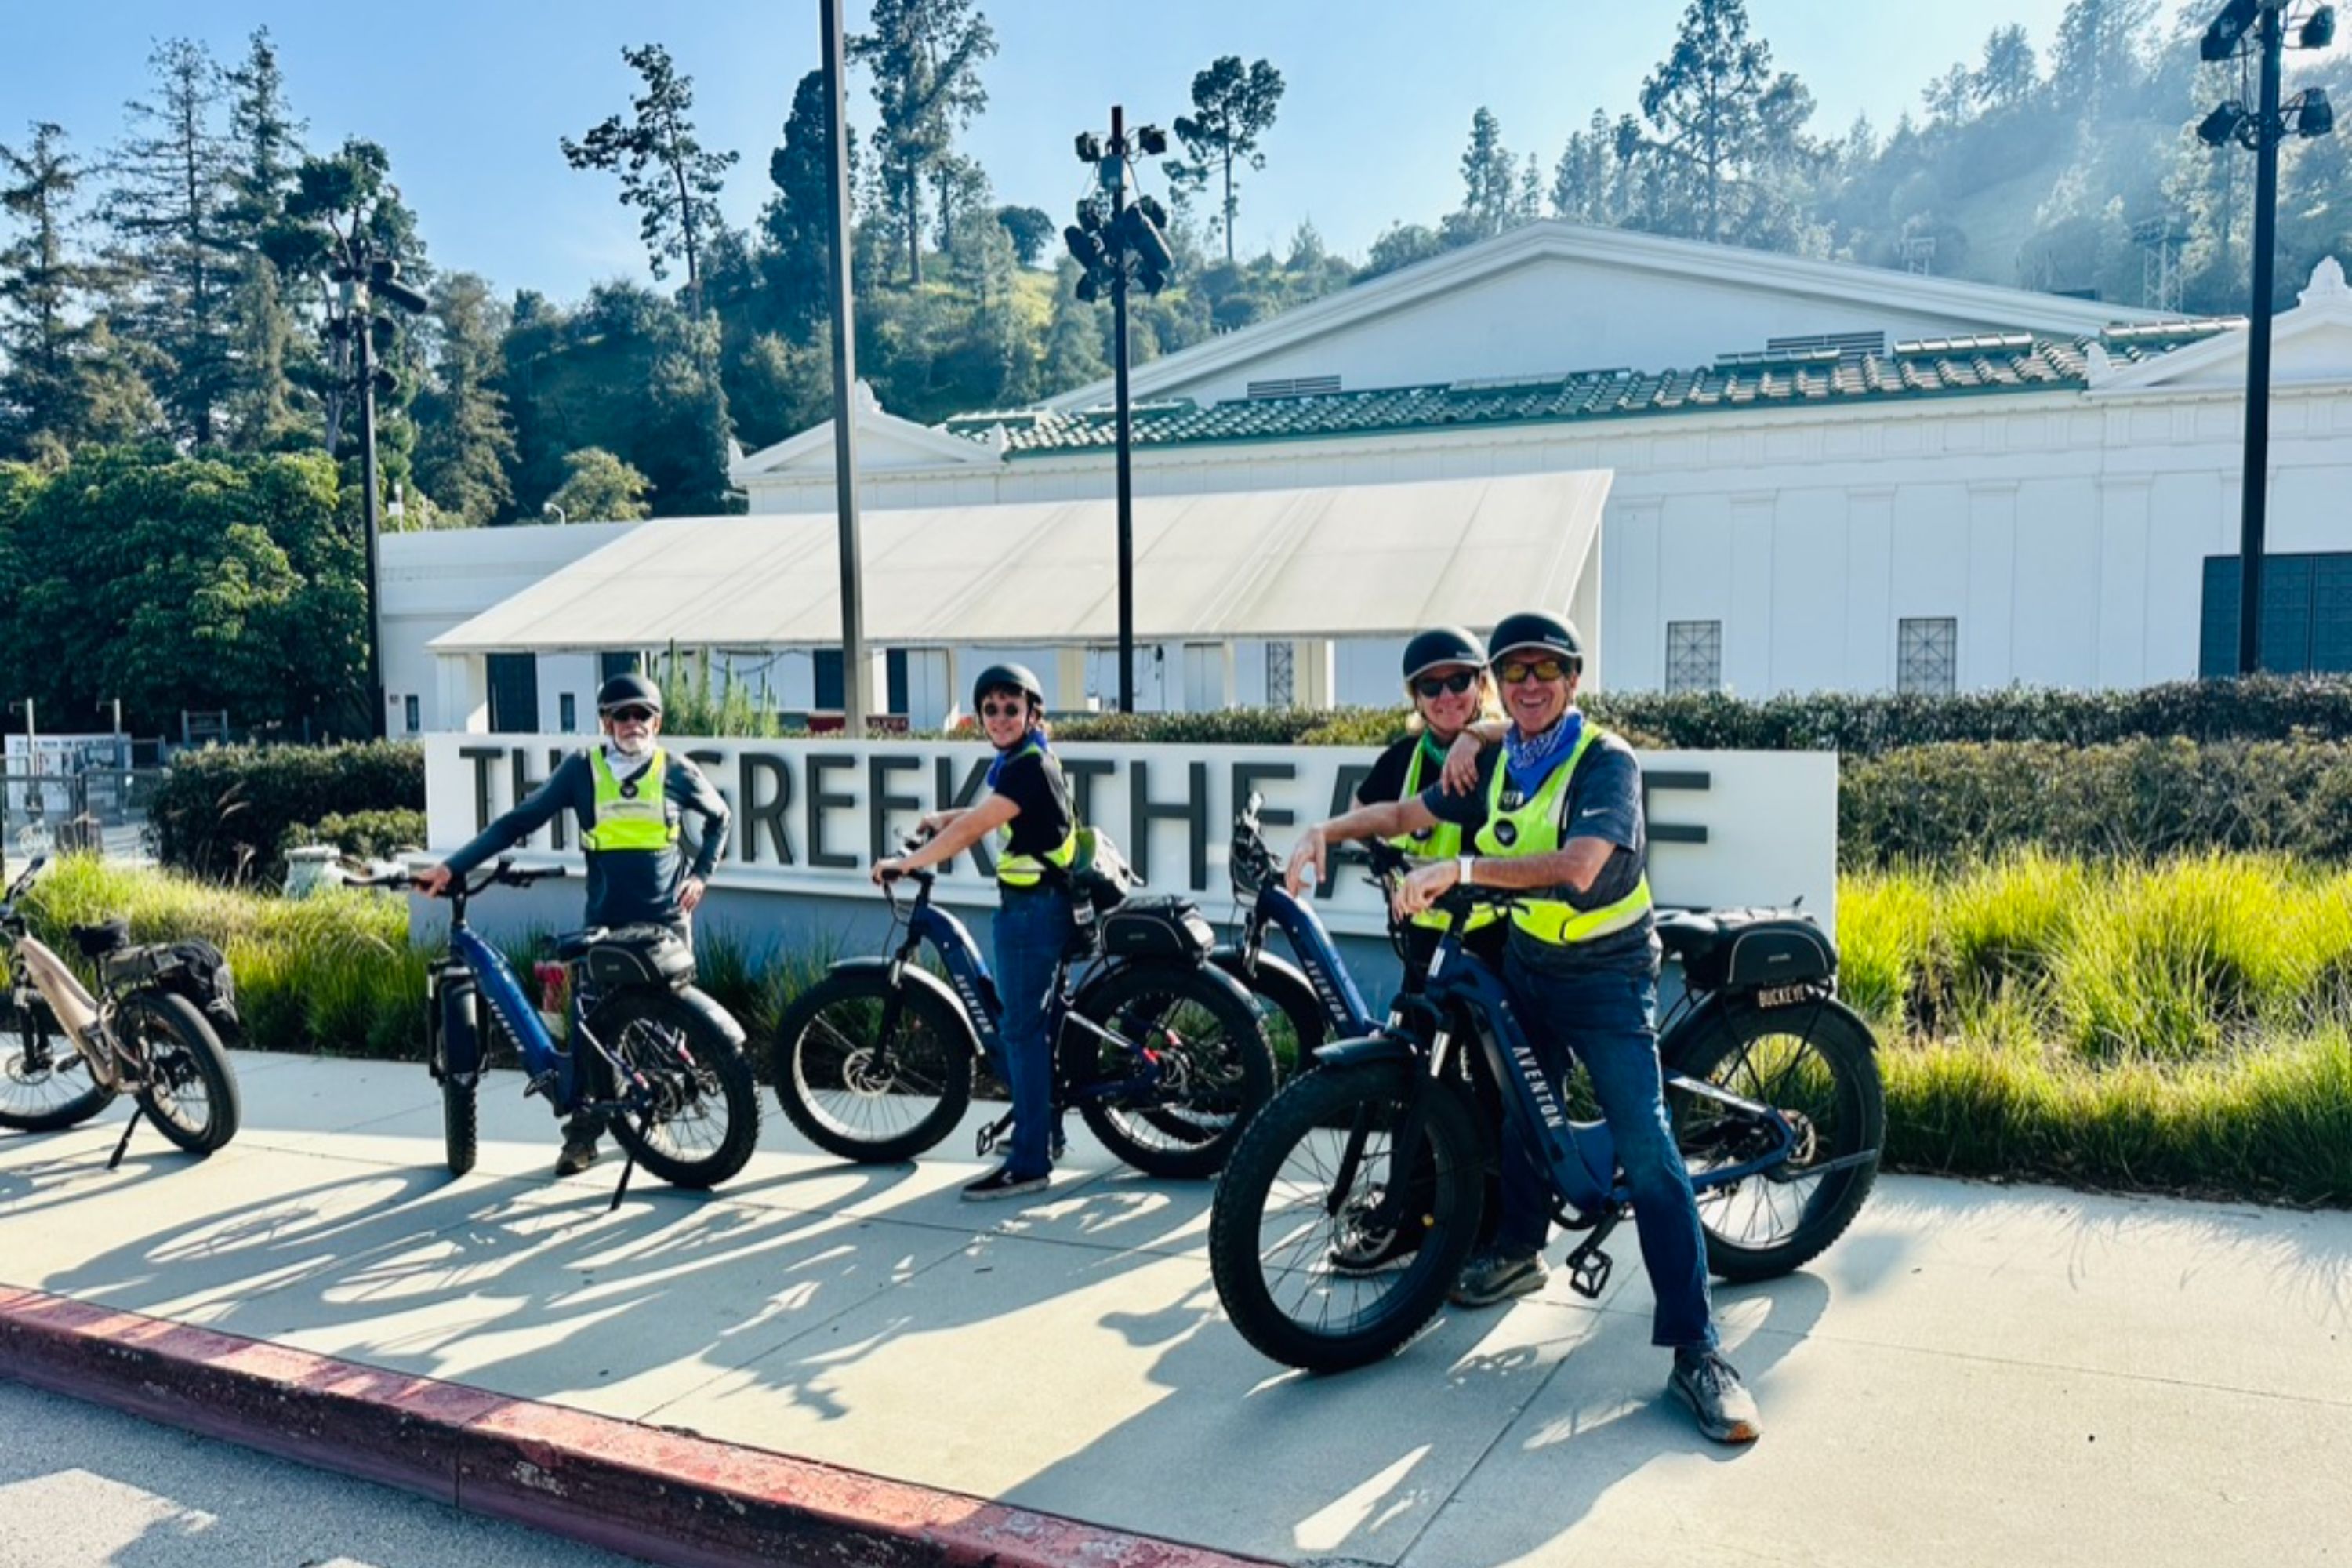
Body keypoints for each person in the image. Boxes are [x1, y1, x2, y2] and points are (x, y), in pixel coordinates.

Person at [1283, 612, 1760, 1445]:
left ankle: (1699, 1348)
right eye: (1516, 671)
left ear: (1574, 679)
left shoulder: (1604, 760)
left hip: (1607, 975)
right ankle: (1517, 1248)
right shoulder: (1500, 752)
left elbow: (1579, 866)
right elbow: (1407, 813)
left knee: (1648, 1150)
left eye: (1548, 668)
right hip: (1532, 966)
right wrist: (1326, 829)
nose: (1531, 682)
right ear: (1501, 686)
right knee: (1517, 1104)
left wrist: (1461, 870)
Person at [415, 672, 731, 1178]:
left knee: (672, 1028)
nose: (633, 724)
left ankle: (664, 1123)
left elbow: (720, 818)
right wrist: (454, 866)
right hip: (605, 922)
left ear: (658, 721)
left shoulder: (676, 770)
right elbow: (517, 822)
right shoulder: (582, 771)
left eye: (642, 715)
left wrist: (701, 875)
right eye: (621, 715)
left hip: (666, 921)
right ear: (605, 722)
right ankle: (582, 1137)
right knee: (590, 1031)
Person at [872, 662, 1075, 1201]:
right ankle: (1042, 1131)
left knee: (1021, 1033)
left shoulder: (1024, 767)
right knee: (1030, 1029)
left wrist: (910, 862)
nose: (1002, 717)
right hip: (1038, 905)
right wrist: (947, 815)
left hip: (1032, 912)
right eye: (992, 709)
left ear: (1033, 713)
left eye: (1013, 708)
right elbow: (995, 814)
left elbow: (979, 827)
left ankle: (1030, 1162)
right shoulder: (1025, 761)